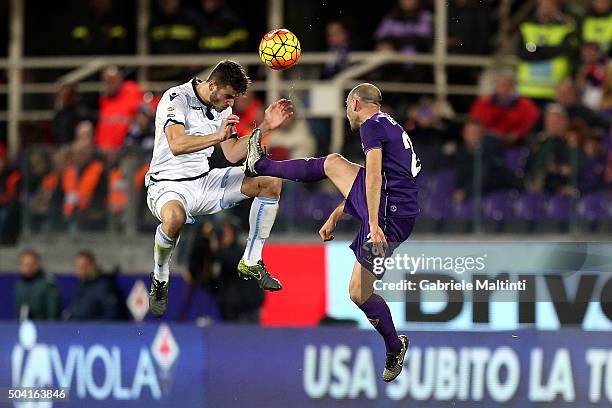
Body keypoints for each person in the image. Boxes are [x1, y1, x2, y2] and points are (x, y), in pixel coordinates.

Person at [243, 83, 415, 382]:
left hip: (390, 217)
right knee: (334, 163)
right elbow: (374, 181)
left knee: (358, 293)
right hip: (395, 204)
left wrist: (373, 224)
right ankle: (261, 164)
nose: (346, 111)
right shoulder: (387, 123)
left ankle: (394, 346)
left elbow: (373, 176)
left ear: (356, 104)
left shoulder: (371, 127)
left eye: (347, 105)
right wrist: (338, 213)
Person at [146, 60, 293, 317]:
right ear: (212, 85)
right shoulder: (176, 97)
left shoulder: (223, 107)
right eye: (227, 97)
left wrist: (266, 127)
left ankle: (251, 260)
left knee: (270, 180)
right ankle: (160, 277)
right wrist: (218, 136)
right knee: (174, 218)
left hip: (204, 182)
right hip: (167, 184)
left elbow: (234, 153)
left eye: (234, 99)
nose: (230, 103)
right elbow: (177, 144)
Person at [517, 0, 577, 102]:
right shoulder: (526, 27)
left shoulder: (566, 28)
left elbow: (565, 50)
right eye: (543, 6)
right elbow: (523, 52)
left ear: (557, 8)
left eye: (550, 6)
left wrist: (535, 48)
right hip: (528, 89)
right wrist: (550, 49)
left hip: (555, 91)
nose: (546, 9)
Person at [469, 70, 540, 146]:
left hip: (516, 140)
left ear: (512, 86)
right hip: (488, 139)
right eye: (500, 85)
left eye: (506, 85)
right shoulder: (484, 103)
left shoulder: (524, 104)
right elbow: (474, 121)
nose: (503, 88)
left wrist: (517, 133)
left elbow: (532, 120)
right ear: (495, 85)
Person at [64, 250, 125, 321]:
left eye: (83, 267)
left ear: (92, 266)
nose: (79, 270)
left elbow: (112, 316)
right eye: (77, 267)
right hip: (75, 329)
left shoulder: (104, 287)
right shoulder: (79, 286)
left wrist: (91, 325)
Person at [14, 250, 61, 321]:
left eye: (29, 264)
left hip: (43, 327)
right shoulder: (19, 285)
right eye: (23, 264)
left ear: (37, 264)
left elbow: (52, 314)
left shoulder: (48, 285)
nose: (26, 268)